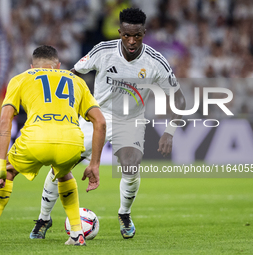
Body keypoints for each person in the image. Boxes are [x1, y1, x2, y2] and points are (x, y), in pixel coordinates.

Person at [32, 8, 186, 240]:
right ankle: (44, 218)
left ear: (144, 33)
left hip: (130, 120)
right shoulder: (103, 51)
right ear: (119, 32)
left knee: (131, 167)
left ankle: (124, 214)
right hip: (96, 117)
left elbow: (179, 98)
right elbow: (73, 74)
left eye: (137, 36)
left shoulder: (156, 62)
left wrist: (170, 132)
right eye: (126, 35)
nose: (131, 41)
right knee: (60, 165)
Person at [0, 45, 106, 246]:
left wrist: (1, 164)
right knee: (64, 174)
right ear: (58, 66)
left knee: (8, 172)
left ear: (32, 65)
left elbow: (5, 120)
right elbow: (101, 122)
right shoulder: (77, 81)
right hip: (70, 142)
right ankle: (77, 235)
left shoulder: (21, 78)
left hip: (35, 139)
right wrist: (94, 163)